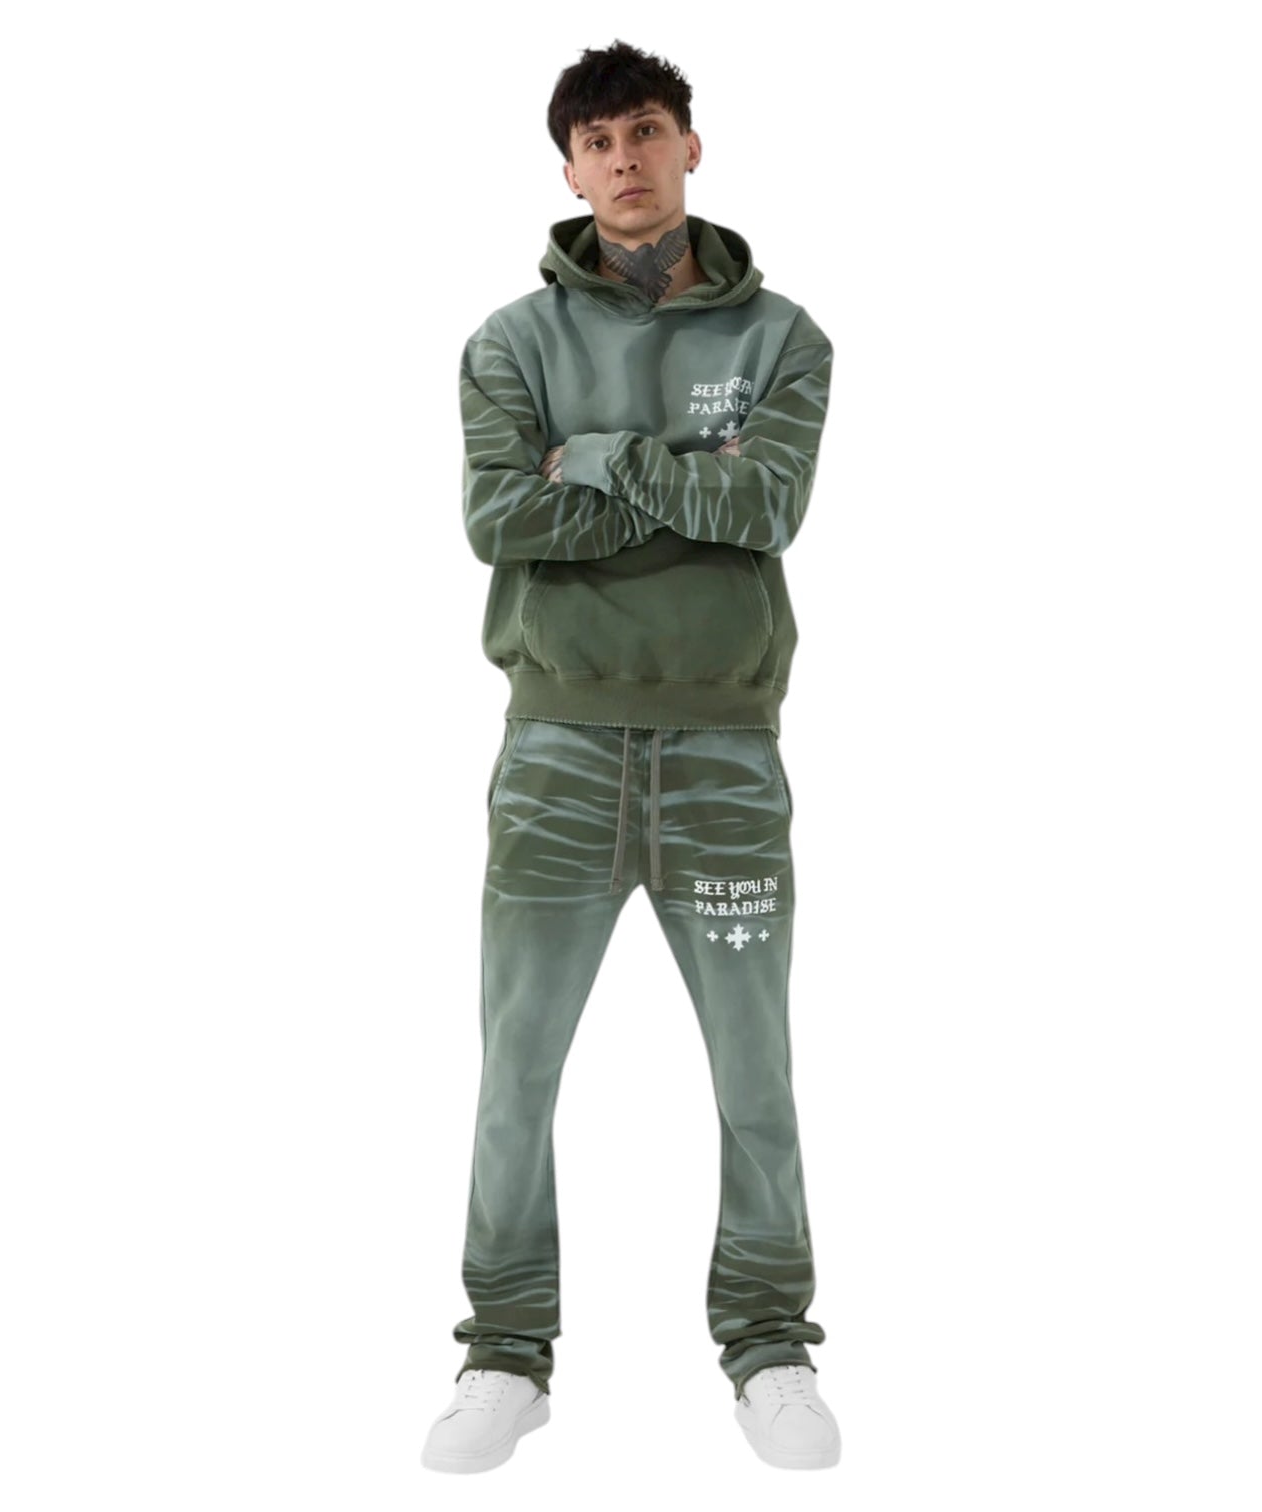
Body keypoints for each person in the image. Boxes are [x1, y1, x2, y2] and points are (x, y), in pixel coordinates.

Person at [422, 39, 840, 1473]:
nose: (624, 160)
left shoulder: (783, 338)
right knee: (518, 1067)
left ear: (690, 146)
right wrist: (684, 483)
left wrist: (595, 457)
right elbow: (499, 520)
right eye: (597, 142)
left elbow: (769, 506)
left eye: (646, 131)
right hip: (558, 748)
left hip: (725, 748)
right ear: (569, 169)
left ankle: (770, 1345)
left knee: (755, 1068)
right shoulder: (508, 343)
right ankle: (505, 1351)